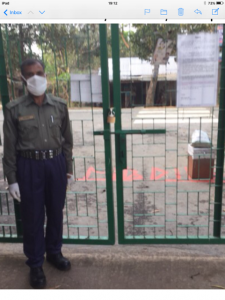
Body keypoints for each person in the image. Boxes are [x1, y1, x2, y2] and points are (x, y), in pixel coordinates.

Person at [3, 58, 74, 289]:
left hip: (55, 164)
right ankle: (35, 264)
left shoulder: (60, 106)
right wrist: (12, 179)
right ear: (23, 79)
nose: (36, 77)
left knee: (55, 212)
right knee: (32, 218)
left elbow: (67, 142)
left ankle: (54, 252)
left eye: (39, 72)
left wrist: (68, 169)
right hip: (29, 167)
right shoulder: (14, 109)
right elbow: (10, 148)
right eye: (30, 74)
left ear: (46, 75)